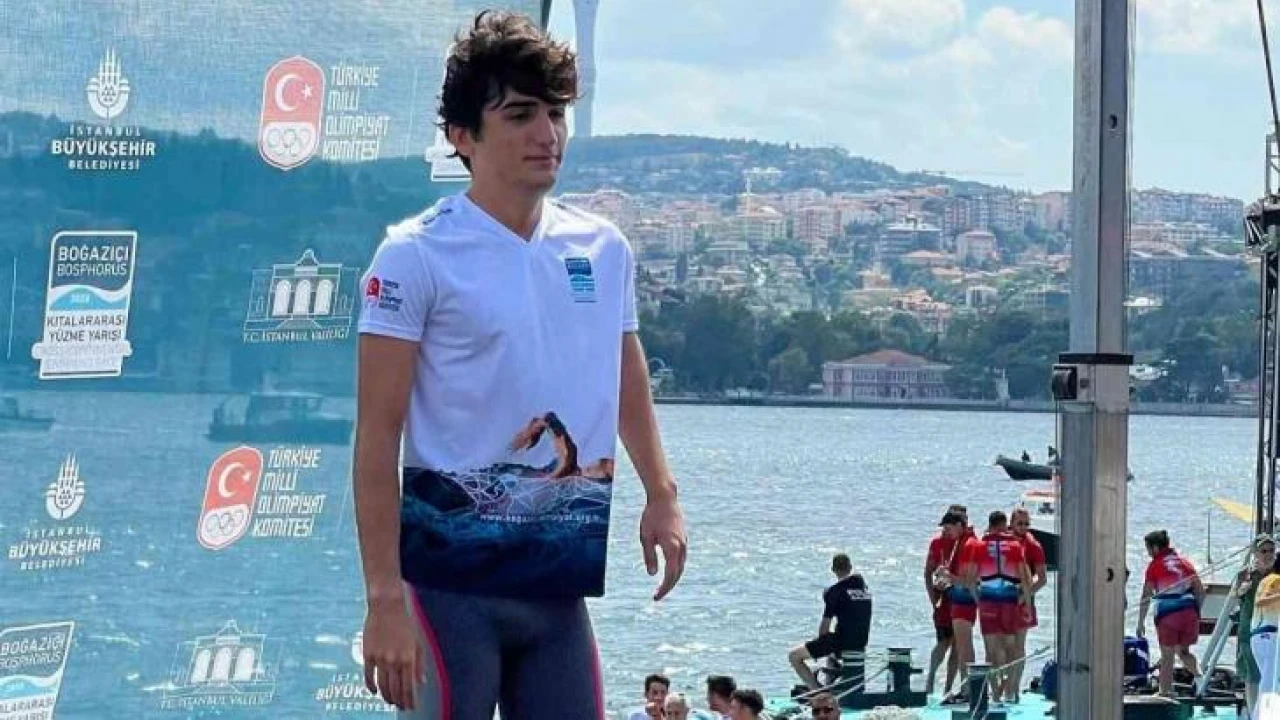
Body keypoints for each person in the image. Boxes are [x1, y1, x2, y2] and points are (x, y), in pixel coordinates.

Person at [351, 11, 687, 718]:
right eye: (521, 114)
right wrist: (382, 598)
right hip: (448, 589)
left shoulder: (603, 248)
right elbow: (377, 435)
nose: (548, 134)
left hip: (556, 588)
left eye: (557, 113)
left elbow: (625, 373)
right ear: (462, 136)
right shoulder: (413, 255)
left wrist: (661, 492)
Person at [962, 510, 1031, 704]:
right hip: (1009, 599)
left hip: (988, 600)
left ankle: (995, 694)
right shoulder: (1015, 545)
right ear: (1003, 525)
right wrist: (1026, 603)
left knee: (991, 650)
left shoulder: (979, 546)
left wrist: (978, 601)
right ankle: (1008, 690)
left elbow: (969, 581)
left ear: (990, 525)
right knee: (1011, 648)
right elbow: (1025, 580)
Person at [787, 553, 873, 690]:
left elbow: (824, 629)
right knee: (831, 654)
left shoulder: (834, 591)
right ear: (850, 567)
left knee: (794, 656)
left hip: (842, 642)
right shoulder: (865, 590)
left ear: (833, 569)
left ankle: (817, 691)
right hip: (861, 641)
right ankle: (832, 684)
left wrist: (818, 646)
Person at [1137, 530, 1204, 698]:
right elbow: (1200, 591)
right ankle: (1200, 678)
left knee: (1167, 655)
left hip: (1168, 614)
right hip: (1189, 612)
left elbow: (1146, 595)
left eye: (1148, 549)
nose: (1148, 553)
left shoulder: (1154, 565)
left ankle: (1165, 692)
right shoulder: (1185, 563)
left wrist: (1140, 622)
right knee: (1183, 652)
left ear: (1155, 548)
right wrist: (1196, 612)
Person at [924, 510, 964, 696]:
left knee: (958, 645)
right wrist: (932, 598)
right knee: (944, 641)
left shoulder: (964, 542)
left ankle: (948, 688)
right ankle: (930, 681)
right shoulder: (938, 543)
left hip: (960, 597)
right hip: (944, 598)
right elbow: (928, 572)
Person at [1009, 507, 1048, 702]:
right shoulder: (1003, 541)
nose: (1023, 527)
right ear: (1011, 524)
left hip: (1023, 595)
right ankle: (1004, 687)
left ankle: (1014, 688)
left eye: (1026, 524)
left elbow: (1042, 579)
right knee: (1003, 645)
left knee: (1018, 645)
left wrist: (1025, 596)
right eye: (1019, 524)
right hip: (1002, 595)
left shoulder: (1034, 546)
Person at [1241, 535, 1278, 717]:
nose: (1268, 554)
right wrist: (1241, 589)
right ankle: (1256, 713)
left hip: (1269, 628)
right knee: (1255, 675)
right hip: (1254, 628)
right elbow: (1236, 595)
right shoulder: (1248, 574)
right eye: (1264, 551)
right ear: (1255, 553)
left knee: (1270, 676)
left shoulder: (1274, 574)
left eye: (1271, 551)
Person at [1252, 569, 1280, 718]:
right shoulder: (1275, 579)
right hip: (1268, 635)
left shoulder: (1270, 579)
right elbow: (1261, 601)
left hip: (1265, 636)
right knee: (1270, 682)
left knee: (1271, 681)